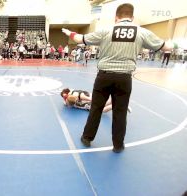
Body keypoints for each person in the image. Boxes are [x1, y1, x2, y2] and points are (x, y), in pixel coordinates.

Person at [62, 3, 172, 153]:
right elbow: (167, 47)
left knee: (96, 108)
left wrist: (69, 33)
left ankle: (87, 138)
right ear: (132, 17)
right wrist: (174, 43)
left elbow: (80, 39)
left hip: (104, 76)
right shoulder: (141, 32)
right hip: (124, 78)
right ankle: (118, 145)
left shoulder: (105, 30)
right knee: (120, 112)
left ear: (116, 17)